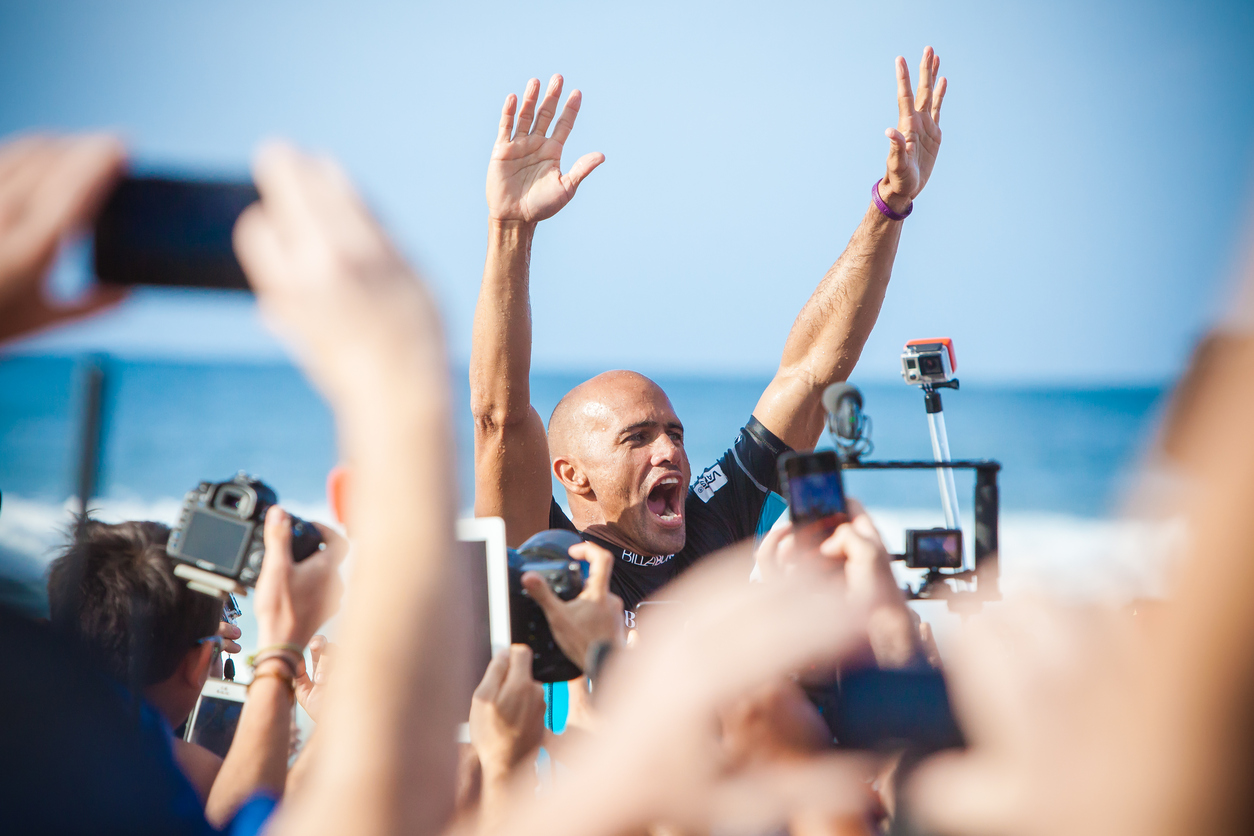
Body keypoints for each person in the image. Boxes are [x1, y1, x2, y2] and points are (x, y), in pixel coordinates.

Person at [470, 49, 948, 612]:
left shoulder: (713, 525)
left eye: (674, 433)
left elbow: (812, 373)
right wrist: (510, 230)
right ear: (572, 475)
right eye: (638, 437)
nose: (669, 449)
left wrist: (890, 205)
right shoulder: (547, 558)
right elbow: (500, 419)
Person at [46, 512, 347, 826]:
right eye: (214, 651)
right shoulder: (180, 774)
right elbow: (255, 822)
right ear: (200, 660)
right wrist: (281, 657)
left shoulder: (29, 720)